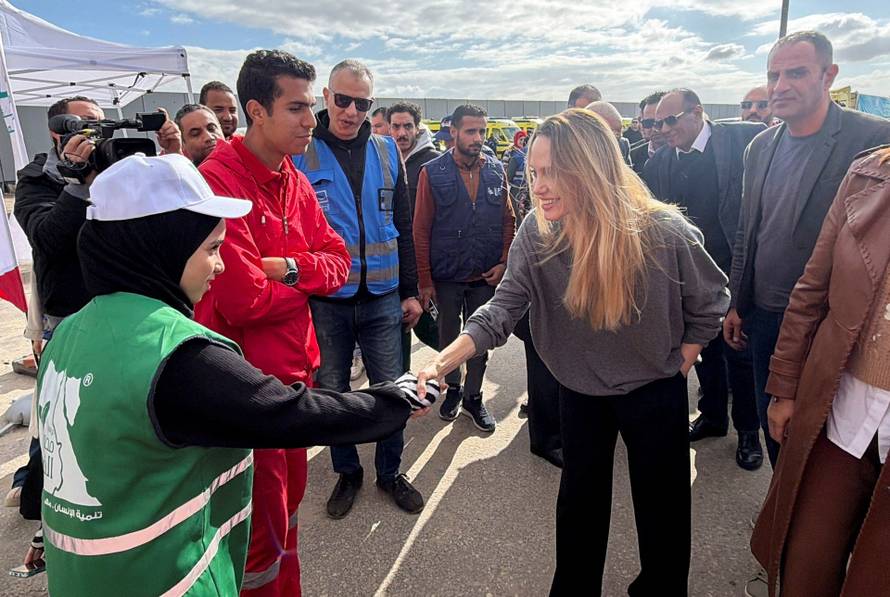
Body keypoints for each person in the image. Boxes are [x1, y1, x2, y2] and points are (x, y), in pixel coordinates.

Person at [37, 152, 433, 597]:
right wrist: (395, 399)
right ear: (161, 247)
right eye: (211, 249)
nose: (221, 266)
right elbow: (290, 413)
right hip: (163, 579)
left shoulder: (69, 332)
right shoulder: (173, 354)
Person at [416, 108, 729, 596]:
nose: (538, 186)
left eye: (552, 172)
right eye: (534, 172)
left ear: (591, 166)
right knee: (580, 502)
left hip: (654, 390)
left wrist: (681, 361)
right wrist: (440, 363)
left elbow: (711, 301)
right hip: (579, 388)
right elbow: (501, 310)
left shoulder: (662, 231)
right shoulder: (537, 232)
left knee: (662, 508)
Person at [195, 50, 350, 596]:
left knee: (286, 517)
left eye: (312, 107)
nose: (313, 119)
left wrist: (287, 268)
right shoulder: (220, 183)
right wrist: (306, 283)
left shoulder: (294, 179)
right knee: (258, 534)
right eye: (298, 107)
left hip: (293, 384)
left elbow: (340, 263)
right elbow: (243, 301)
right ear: (256, 110)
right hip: (248, 393)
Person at [11, 96, 182, 564]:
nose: (95, 132)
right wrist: (75, 181)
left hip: (129, 308)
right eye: (83, 124)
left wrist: (171, 155)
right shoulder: (37, 179)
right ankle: (54, 526)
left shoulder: (121, 163)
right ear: (56, 130)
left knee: (127, 418)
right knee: (70, 427)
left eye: (100, 123)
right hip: (71, 317)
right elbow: (46, 238)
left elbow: (165, 216)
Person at [724, 30, 890, 467]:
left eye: (796, 73)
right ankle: (783, 521)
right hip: (766, 318)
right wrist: (738, 303)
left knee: (831, 445)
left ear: (828, 75)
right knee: (775, 427)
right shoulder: (760, 147)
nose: (780, 86)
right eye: (774, 75)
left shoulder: (872, 141)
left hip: (834, 322)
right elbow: (748, 231)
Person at [750, 144, 890, 597]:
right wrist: (785, 386)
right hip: (843, 407)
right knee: (804, 563)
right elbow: (812, 288)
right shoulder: (868, 173)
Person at [292, 59, 424, 520]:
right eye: (342, 100)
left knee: (393, 390)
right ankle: (347, 471)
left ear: (372, 104)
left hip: (384, 296)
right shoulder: (301, 154)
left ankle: (391, 472)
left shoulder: (389, 152)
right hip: (326, 302)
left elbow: (403, 226)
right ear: (325, 97)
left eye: (362, 103)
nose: (351, 111)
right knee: (333, 393)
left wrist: (410, 290)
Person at [644, 88, 766, 470]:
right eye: (657, 122)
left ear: (697, 112)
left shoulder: (741, 140)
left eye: (670, 120)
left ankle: (748, 432)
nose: (663, 129)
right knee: (703, 351)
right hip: (688, 275)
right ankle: (712, 417)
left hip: (733, 268)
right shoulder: (659, 162)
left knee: (738, 353)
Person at [413, 104, 514, 432]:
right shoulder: (432, 172)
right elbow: (421, 228)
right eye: (471, 131)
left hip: (485, 273)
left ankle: (473, 397)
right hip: (447, 274)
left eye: (482, 131)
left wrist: (503, 263)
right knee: (448, 333)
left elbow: (508, 219)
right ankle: (453, 389)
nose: (478, 137)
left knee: (481, 339)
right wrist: (425, 280)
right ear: (453, 132)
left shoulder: (497, 169)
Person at [386, 101, 440, 369]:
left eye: (407, 126)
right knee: (400, 330)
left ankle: (459, 370)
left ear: (417, 129)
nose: (401, 132)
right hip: (389, 264)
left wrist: (425, 273)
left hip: (422, 265)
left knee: (430, 327)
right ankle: (402, 387)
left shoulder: (432, 163)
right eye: (395, 126)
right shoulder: (382, 160)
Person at [631, 91, 667, 176]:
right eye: (649, 122)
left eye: (660, 122)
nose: (655, 129)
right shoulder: (632, 156)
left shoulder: (688, 153)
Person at [586, 101, 631, 165]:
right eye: (610, 132)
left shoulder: (622, 145)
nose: (615, 137)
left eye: (618, 133)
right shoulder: (573, 155)